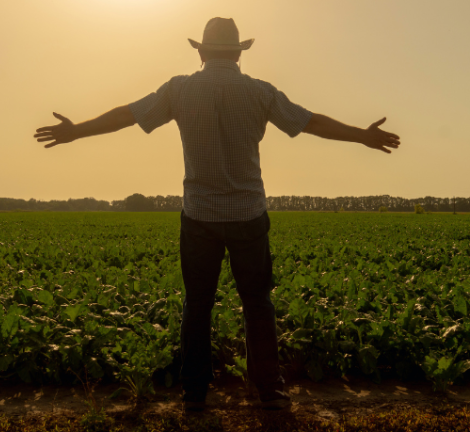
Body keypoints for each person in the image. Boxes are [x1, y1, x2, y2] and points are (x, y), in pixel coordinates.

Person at [34, 17, 400, 412]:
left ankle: (194, 392)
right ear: (240, 53)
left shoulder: (180, 89)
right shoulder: (260, 92)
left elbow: (127, 115)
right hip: (248, 213)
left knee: (198, 303)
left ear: (201, 52)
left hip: (199, 216)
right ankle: (270, 389)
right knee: (257, 302)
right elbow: (311, 122)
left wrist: (77, 131)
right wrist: (362, 136)